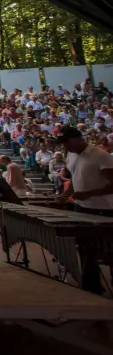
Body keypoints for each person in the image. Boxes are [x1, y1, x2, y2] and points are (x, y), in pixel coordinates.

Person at [54, 124, 113, 294]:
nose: (65, 146)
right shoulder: (71, 155)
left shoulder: (100, 156)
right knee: (84, 247)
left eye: (67, 142)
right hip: (81, 208)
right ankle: (91, 285)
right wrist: (64, 195)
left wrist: (90, 193)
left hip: (103, 209)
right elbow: (75, 178)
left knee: (107, 251)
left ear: (79, 139)